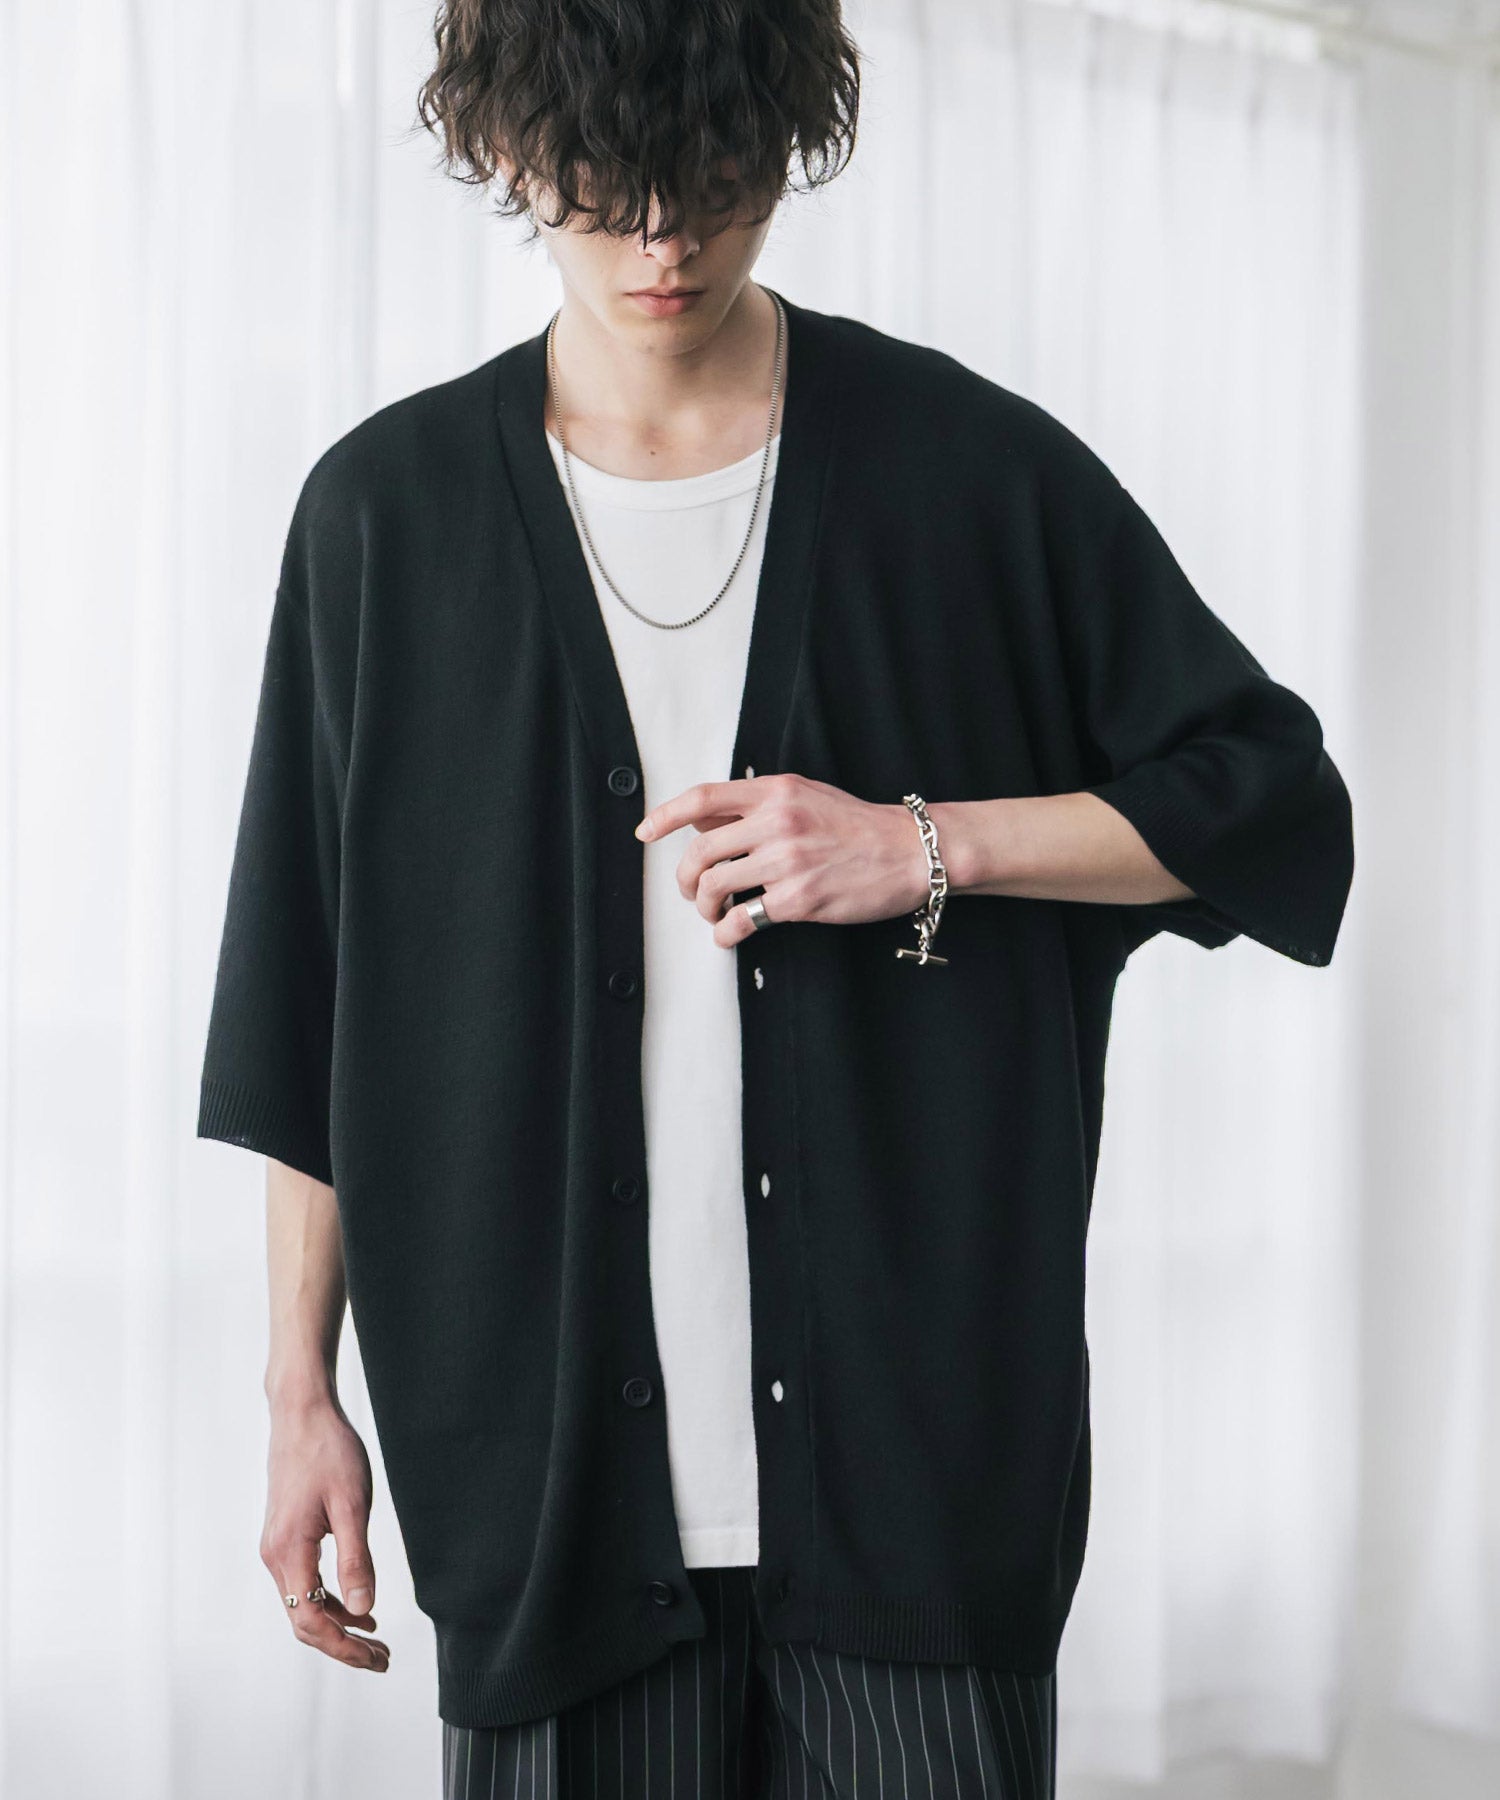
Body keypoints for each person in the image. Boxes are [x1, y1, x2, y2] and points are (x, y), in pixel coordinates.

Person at [195, 3, 1355, 1796]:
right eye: (606, 183)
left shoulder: (968, 473)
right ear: (507, 149)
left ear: (786, 142)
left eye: (718, 181)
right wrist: (298, 1396)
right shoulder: (383, 520)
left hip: (919, 1490)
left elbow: (1271, 800)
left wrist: (926, 845)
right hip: (545, 1514)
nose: (665, 239)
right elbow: (310, 1003)